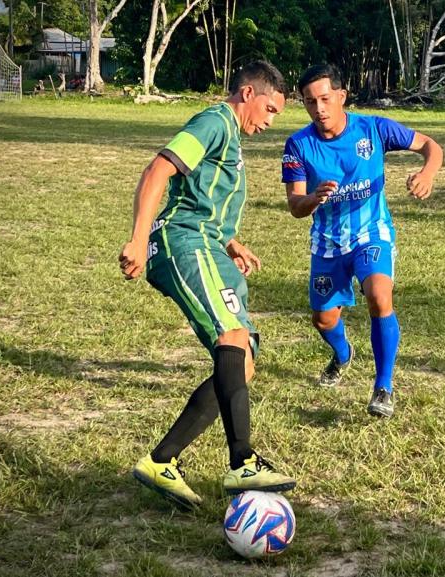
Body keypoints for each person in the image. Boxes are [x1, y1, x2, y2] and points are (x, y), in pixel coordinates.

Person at [119, 60, 296, 510]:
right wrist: (139, 239)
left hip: (207, 244)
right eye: (271, 110)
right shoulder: (215, 121)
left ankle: (162, 461)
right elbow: (158, 171)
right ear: (248, 95)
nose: (271, 121)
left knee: (242, 361)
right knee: (233, 337)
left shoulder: (231, 135)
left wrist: (231, 241)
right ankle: (242, 462)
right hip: (184, 242)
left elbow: (201, 195)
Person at [281, 64, 443, 419]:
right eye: (310, 102)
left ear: (341, 96)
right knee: (323, 319)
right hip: (326, 242)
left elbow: (431, 146)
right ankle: (342, 355)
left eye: (325, 99)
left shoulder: (375, 128)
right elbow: (295, 206)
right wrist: (313, 198)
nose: (319, 108)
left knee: (379, 295)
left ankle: (383, 387)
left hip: (372, 232)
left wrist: (427, 173)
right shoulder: (298, 145)